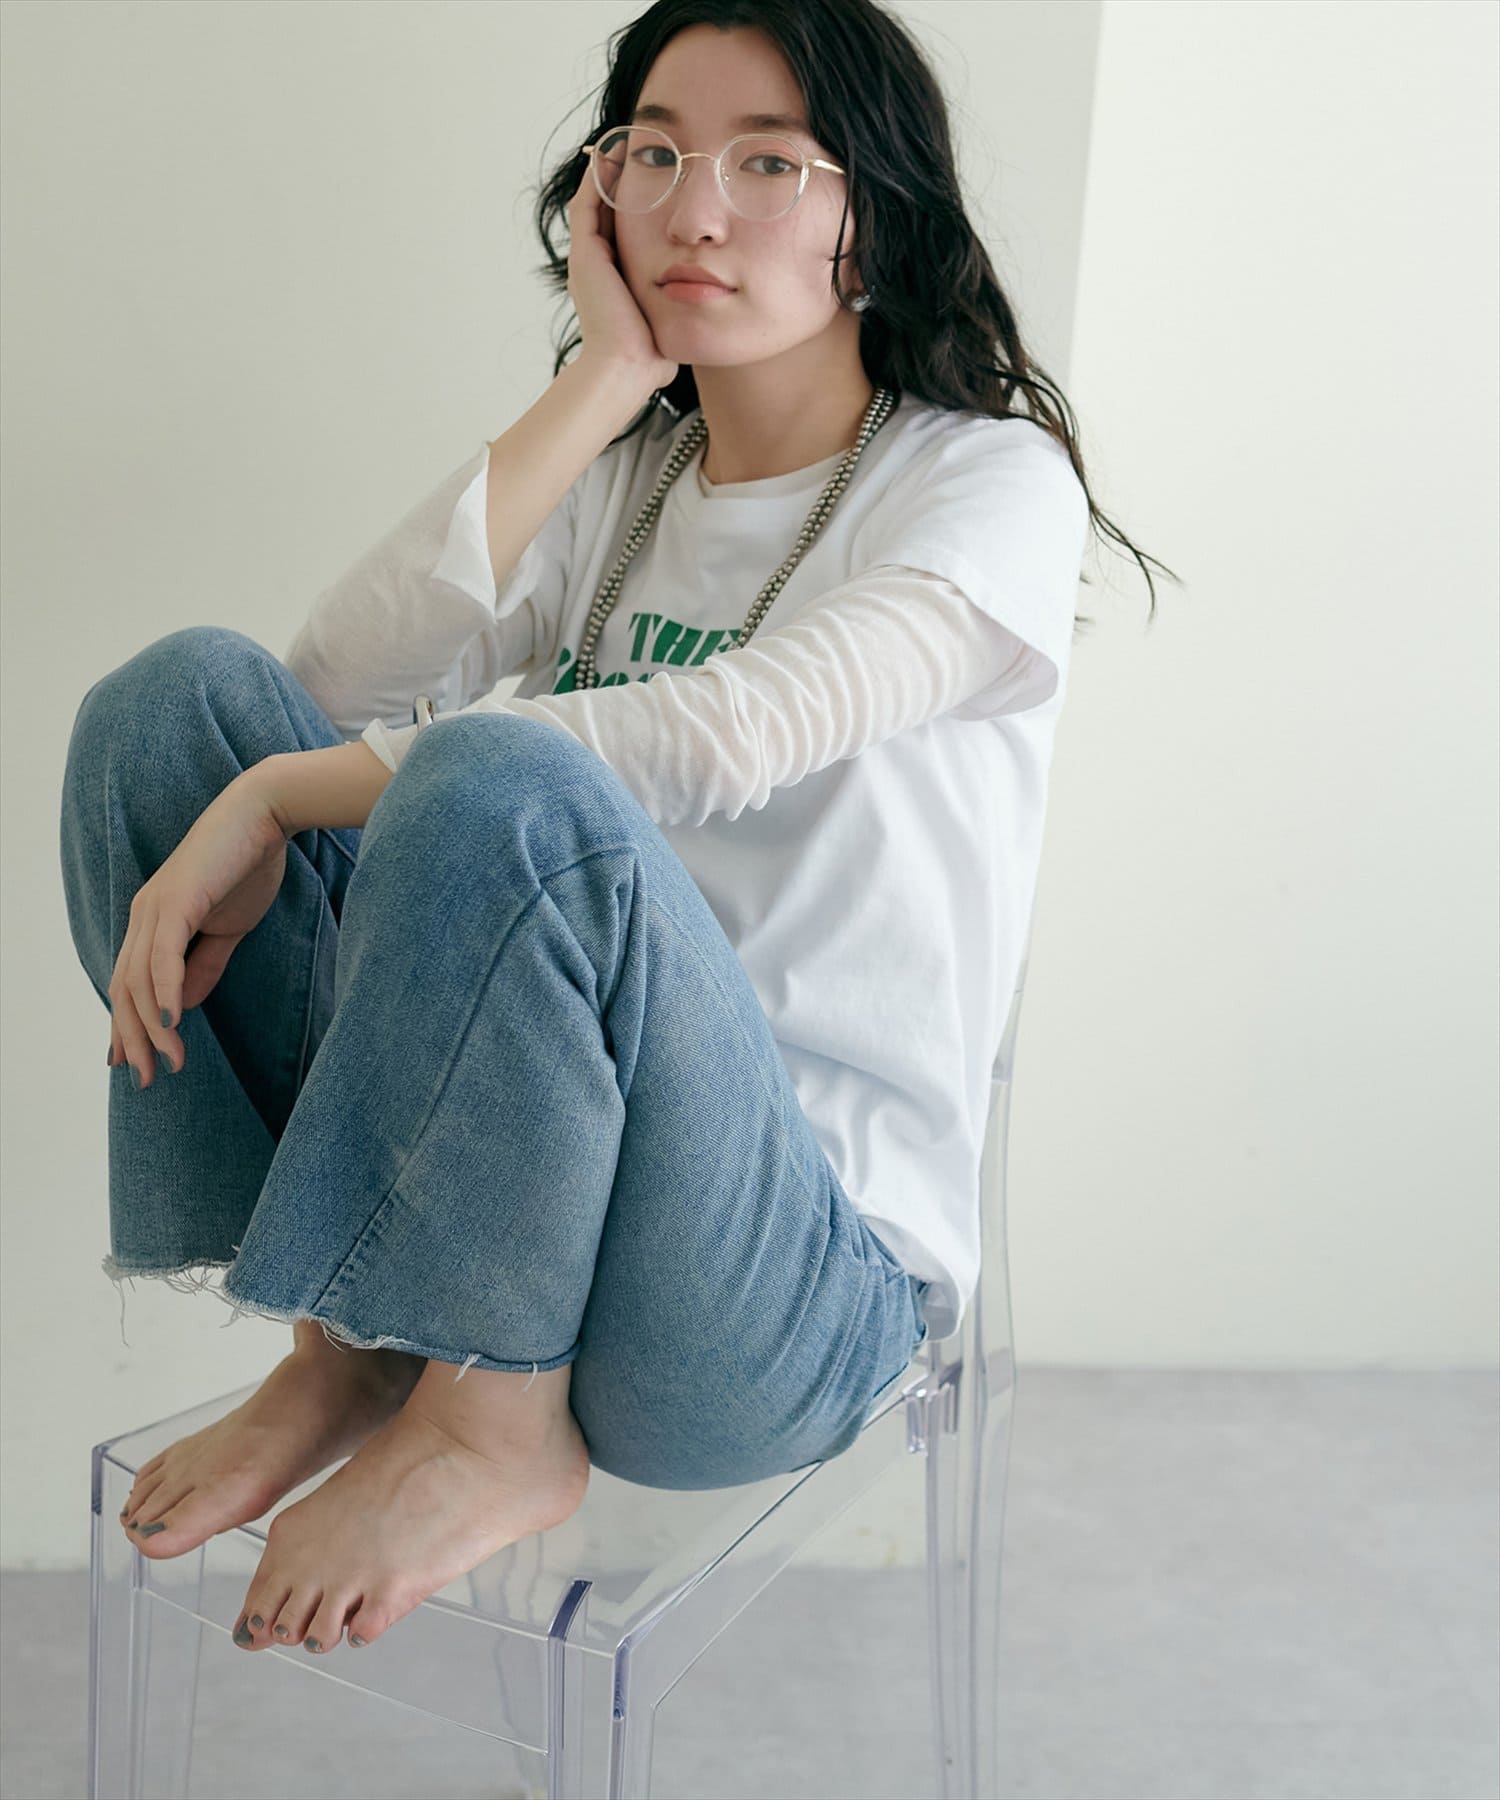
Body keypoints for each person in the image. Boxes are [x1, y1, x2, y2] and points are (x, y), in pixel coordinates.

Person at [59, 1, 1166, 1662]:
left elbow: (728, 732)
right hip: (510, 1211)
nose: (697, 210)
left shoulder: (982, 484)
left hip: (774, 1292)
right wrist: (607, 381)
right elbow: (319, 686)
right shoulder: (628, 478)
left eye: (768, 165)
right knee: (175, 711)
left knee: (499, 786)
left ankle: (493, 1425)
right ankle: (353, 1347)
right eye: (655, 153)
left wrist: (289, 792)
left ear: (876, 214)